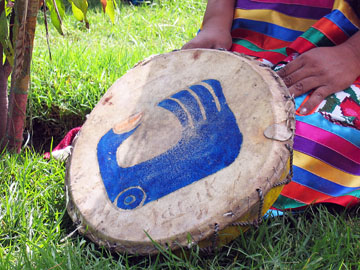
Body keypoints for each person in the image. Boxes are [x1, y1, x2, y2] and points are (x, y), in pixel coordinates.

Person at [183, 0, 360, 211]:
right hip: (247, 37)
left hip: (338, 53)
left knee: (281, 148)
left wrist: (352, 54)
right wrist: (216, 24)